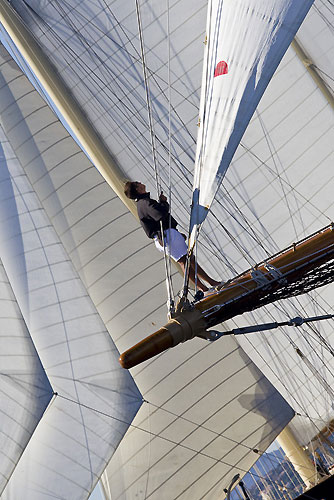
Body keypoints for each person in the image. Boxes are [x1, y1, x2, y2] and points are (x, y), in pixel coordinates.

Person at [124, 181, 220, 293]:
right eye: (137, 183)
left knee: (187, 260)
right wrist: (164, 203)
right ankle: (207, 286)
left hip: (163, 237)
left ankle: (206, 286)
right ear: (137, 189)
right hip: (166, 236)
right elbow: (159, 214)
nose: (140, 183)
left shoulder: (141, 204)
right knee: (186, 261)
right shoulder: (145, 202)